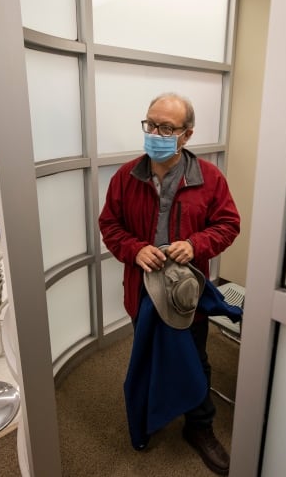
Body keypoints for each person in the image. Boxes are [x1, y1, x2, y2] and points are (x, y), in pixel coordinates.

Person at [99, 92, 240, 475]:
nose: (155, 133)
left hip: (186, 294)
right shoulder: (125, 176)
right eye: (150, 124)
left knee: (195, 358)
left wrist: (195, 245)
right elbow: (109, 225)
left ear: (186, 135)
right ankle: (150, 417)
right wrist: (134, 249)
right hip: (142, 291)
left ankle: (199, 426)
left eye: (166, 127)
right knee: (146, 358)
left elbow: (228, 225)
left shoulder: (209, 179)